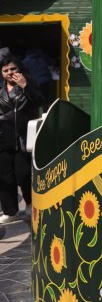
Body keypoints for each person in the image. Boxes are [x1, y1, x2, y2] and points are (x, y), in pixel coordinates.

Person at [0, 54, 43, 224]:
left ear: (19, 69)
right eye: (5, 70)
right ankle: (11, 211)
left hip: (23, 136)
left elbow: (40, 101)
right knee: (4, 175)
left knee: (23, 174)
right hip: (3, 137)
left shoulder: (29, 83)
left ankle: (30, 203)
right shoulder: (1, 90)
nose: (10, 73)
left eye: (13, 68)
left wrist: (25, 86)